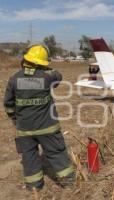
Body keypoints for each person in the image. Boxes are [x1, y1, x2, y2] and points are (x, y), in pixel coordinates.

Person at [3, 45, 75, 191]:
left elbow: (8, 104)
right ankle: (69, 183)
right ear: (40, 63)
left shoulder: (14, 79)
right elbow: (58, 76)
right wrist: (45, 68)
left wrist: (14, 119)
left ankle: (34, 186)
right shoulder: (47, 77)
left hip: (25, 129)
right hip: (48, 127)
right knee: (57, 153)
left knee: (29, 157)